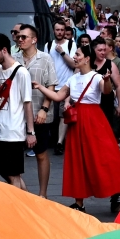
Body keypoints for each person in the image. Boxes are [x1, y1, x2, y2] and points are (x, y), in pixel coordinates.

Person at [33, 42, 120, 213]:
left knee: (103, 158)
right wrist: (40, 87)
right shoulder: (73, 78)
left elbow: (106, 92)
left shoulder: (97, 77)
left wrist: (107, 81)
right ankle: (79, 202)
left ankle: (116, 190)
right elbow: (57, 96)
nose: (74, 57)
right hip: (77, 123)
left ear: (87, 59)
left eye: (77, 55)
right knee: (78, 160)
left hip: (94, 121)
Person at [0, 32, 36, 191]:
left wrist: (30, 132)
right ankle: (28, 202)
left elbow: (27, 103)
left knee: (14, 175)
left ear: (4, 50)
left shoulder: (21, 72)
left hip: (14, 131)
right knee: (3, 171)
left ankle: (20, 208)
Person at [18, 23, 58, 198]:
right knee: (15, 155)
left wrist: (44, 109)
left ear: (34, 40)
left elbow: (51, 85)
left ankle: (43, 194)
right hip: (18, 114)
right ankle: (21, 191)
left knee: (41, 154)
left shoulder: (45, 58)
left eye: (23, 37)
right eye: (18, 37)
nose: (19, 39)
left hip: (39, 113)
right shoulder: (14, 57)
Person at [47, 19, 78, 154]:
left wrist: (62, 53)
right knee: (52, 117)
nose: (59, 32)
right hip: (52, 86)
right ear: (54, 31)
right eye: (57, 30)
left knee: (62, 116)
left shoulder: (71, 45)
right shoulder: (48, 45)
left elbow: (74, 65)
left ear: (65, 31)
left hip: (66, 85)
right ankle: (55, 140)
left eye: (62, 30)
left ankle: (59, 143)